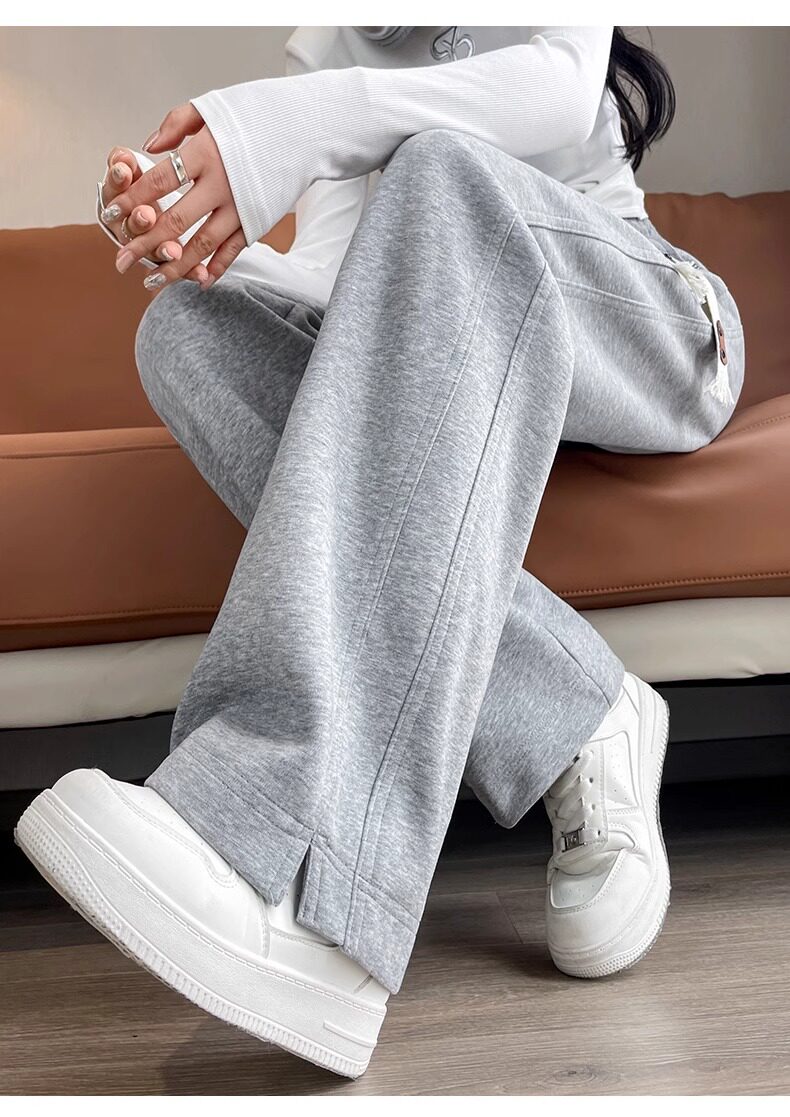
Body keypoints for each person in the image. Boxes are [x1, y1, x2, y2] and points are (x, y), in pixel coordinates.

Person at [16, 26, 745, 1079]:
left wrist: (277, 128)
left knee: (443, 171)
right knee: (187, 330)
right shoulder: (333, 32)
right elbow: (340, 282)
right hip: (463, 312)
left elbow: (551, 91)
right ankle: (584, 712)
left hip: (646, 316)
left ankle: (306, 878)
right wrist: (201, 246)